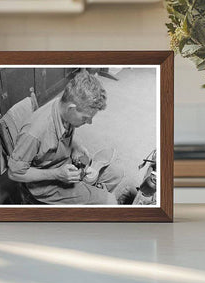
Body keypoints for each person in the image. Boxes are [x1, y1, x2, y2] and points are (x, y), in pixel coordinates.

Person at [8, 71, 125, 204]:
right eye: (86, 118)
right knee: (109, 202)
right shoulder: (34, 133)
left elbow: (61, 134)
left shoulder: (62, 105)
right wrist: (57, 174)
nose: (89, 122)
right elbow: (14, 173)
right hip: (47, 185)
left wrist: (76, 145)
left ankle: (92, 194)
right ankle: (93, 199)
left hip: (65, 165)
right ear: (71, 108)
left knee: (116, 171)